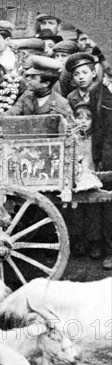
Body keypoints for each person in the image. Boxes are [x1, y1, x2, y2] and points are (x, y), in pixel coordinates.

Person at [64, 102, 103, 259]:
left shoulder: (97, 137)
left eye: (88, 118)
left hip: (93, 177)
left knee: (94, 210)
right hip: (76, 178)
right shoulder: (72, 138)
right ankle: (78, 240)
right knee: (75, 210)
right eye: (79, 117)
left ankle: (95, 242)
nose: (83, 122)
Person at [89, 60, 112, 269]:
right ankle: (110, 251)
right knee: (109, 204)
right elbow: (96, 127)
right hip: (108, 152)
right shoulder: (98, 91)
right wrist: (96, 157)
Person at [3, 56, 72, 118]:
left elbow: (68, 126)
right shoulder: (26, 96)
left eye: (33, 77)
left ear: (46, 83)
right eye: (29, 76)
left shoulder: (61, 103)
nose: (28, 79)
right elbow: (10, 114)